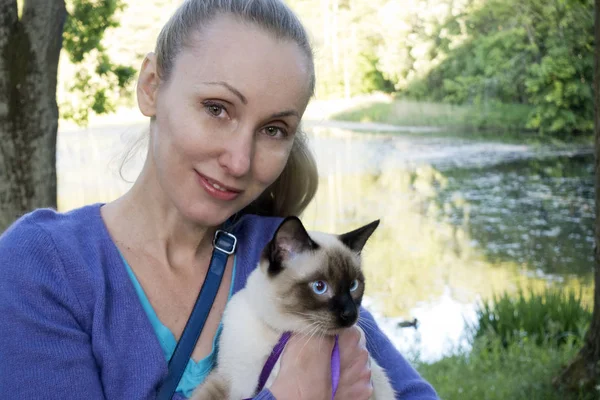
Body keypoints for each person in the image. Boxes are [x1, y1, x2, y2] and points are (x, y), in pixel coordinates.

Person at [0, 0, 439, 399]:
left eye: (273, 130)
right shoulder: (43, 267)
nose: (238, 160)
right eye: (217, 108)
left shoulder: (287, 260)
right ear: (151, 86)